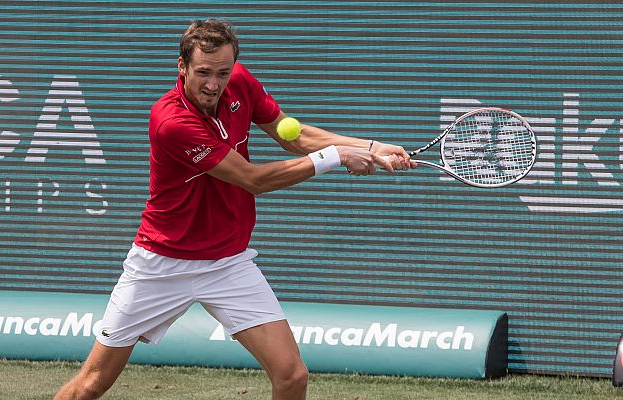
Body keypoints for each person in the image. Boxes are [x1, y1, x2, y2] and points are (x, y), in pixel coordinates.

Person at [54, 18, 416, 400]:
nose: (213, 84)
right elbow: (252, 179)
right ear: (182, 67)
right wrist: (337, 157)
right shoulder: (171, 122)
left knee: (292, 375)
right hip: (161, 264)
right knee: (91, 385)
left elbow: (290, 134)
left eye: (222, 73)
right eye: (203, 73)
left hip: (227, 263)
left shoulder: (239, 81)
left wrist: (370, 146)